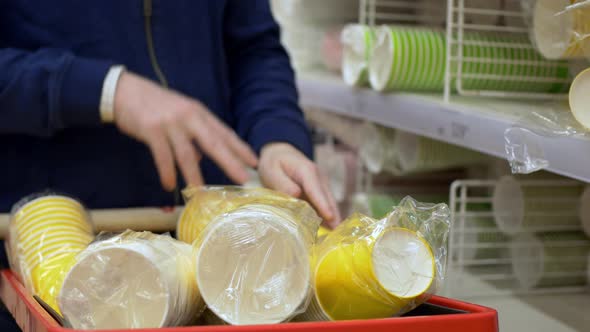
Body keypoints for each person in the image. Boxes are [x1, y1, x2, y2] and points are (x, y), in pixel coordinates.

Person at [0, 1, 340, 329]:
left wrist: (276, 136)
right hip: (42, 257)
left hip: (207, 267)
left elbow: (253, 50)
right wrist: (106, 90)